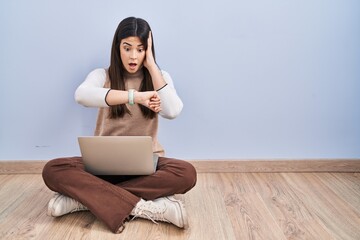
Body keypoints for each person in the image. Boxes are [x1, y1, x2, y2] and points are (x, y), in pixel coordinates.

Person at [42, 17, 197, 234]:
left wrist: (152, 65)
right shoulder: (101, 75)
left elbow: (173, 111)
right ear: (117, 47)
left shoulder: (159, 78)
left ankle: (83, 201)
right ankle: (146, 207)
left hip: (148, 167)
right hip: (102, 168)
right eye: (127, 48)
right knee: (53, 170)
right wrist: (136, 97)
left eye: (141, 49)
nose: (134, 56)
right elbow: (82, 96)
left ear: (148, 51)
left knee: (186, 173)